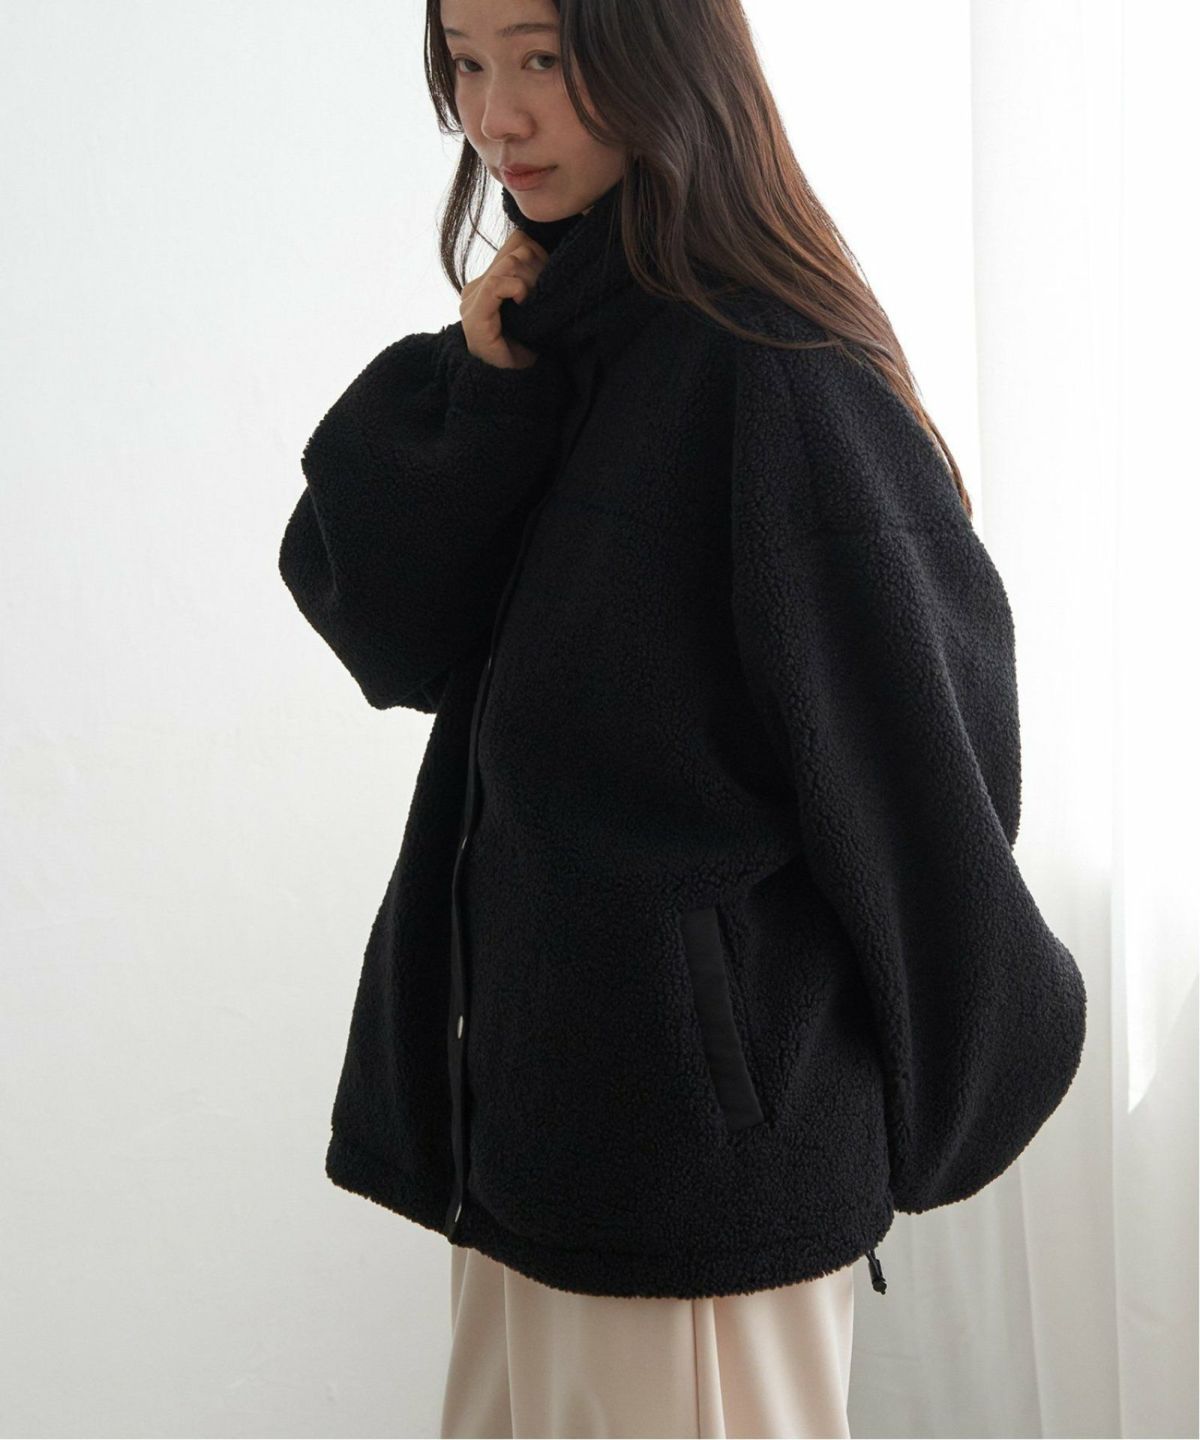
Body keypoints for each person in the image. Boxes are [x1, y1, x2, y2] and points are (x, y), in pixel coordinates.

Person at [277, 0, 1088, 1435]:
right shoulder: (567, 348)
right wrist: (490, 388)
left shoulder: (772, 374)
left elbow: (927, 777)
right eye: (467, 62)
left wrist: (928, 1092)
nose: (497, 114)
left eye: (541, 56)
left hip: (690, 1193)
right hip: (527, 1152)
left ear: (659, 53)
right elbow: (385, 625)